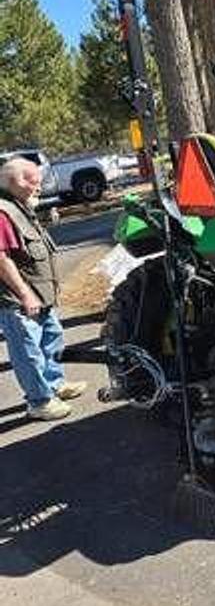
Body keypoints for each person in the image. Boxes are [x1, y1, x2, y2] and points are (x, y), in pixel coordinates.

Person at [0, 157, 86, 421]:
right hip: (20, 298)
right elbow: (1, 259)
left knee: (51, 337)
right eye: (36, 181)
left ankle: (54, 384)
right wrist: (24, 294)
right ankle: (39, 401)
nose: (40, 187)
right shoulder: (3, 212)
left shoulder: (19, 206)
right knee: (29, 351)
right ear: (18, 181)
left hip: (39, 295)